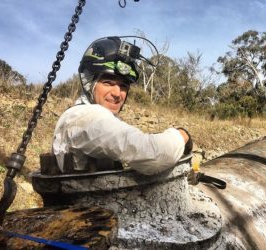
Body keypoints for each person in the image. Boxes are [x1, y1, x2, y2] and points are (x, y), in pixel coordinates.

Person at [52, 36, 192, 175]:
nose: (117, 93)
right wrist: (182, 135)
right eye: (108, 83)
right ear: (90, 84)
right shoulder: (86, 117)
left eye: (123, 86)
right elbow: (154, 156)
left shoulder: (81, 115)